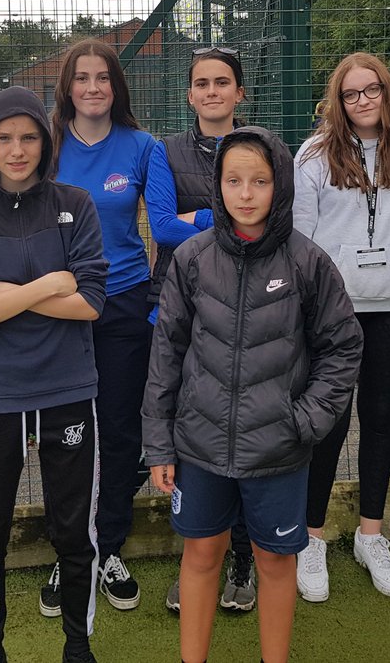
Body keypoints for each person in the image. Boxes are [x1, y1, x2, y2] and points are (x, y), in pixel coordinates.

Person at [143, 127, 362, 663]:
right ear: (218, 186)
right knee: (200, 555)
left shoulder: (308, 262)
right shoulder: (191, 259)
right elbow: (166, 353)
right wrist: (159, 444)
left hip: (279, 451)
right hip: (199, 448)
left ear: (279, 185)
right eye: (233, 180)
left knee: (275, 562)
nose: (245, 194)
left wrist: (304, 420)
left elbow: (343, 348)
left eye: (259, 181)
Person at [0, 86, 107, 663]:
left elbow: (90, 302)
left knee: (71, 533)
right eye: (5, 138)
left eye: (29, 137)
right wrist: (47, 285)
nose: (17, 150)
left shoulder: (76, 203)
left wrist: (3, 294)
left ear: (45, 140)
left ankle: (77, 646)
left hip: (67, 389)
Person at [292, 52, 390, 602]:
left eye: (371, 90)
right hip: (334, 310)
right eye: (351, 94)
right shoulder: (314, 156)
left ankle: (372, 534)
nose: (363, 101)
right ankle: (312, 537)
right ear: (338, 101)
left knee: (378, 418)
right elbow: (301, 238)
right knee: (329, 421)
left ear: (386, 93)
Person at [43, 39, 156, 614]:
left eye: (103, 78)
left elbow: (162, 226)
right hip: (60, 308)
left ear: (117, 86)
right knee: (66, 431)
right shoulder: (47, 145)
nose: (92, 87)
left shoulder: (142, 146)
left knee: (117, 430)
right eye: (81, 78)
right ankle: (70, 551)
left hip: (123, 305)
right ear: (67, 87)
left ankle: (108, 546)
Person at [144, 46, 258, 613]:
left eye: (222, 82)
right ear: (190, 95)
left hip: (249, 307)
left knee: (243, 430)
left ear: (239, 92)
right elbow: (164, 228)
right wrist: (230, 212)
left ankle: (244, 559)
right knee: (191, 435)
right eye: (201, 84)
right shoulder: (166, 151)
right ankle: (196, 561)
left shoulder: (261, 147)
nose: (211, 91)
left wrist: (200, 216)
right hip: (181, 303)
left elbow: (272, 218)